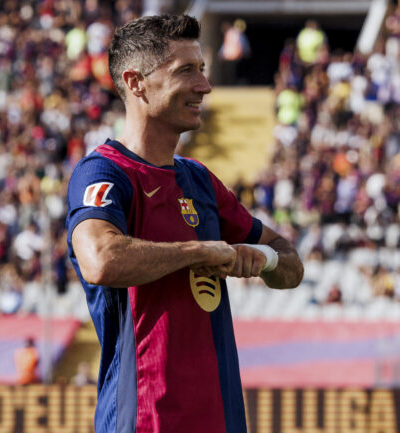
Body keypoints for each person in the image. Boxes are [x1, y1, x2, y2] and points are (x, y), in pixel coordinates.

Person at [65, 14, 303, 433]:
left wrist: (262, 259)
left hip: (222, 420)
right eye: (186, 71)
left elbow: (290, 261)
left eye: (203, 70)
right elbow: (100, 260)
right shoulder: (104, 173)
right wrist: (202, 252)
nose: (204, 86)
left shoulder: (200, 181)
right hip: (145, 421)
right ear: (136, 82)